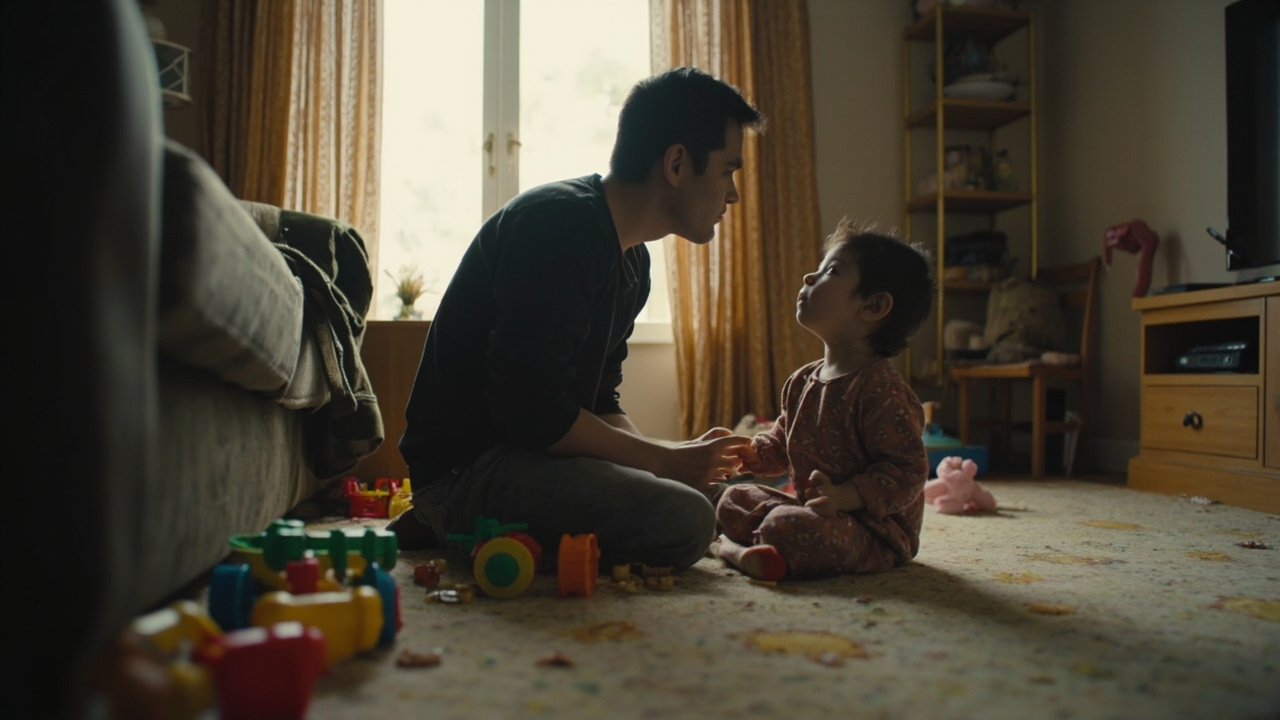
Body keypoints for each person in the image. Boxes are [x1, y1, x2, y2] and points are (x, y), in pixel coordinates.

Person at [390, 67, 765, 574]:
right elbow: (532, 411)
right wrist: (662, 462)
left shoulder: (632, 259)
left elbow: (599, 401)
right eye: (728, 170)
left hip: (532, 456)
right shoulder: (559, 226)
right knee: (688, 519)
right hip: (469, 467)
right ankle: (453, 519)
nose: (733, 194)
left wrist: (668, 459)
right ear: (677, 163)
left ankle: (466, 522)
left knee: (716, 496)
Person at [710, 220, 936, 581]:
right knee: (732, 498)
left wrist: (846, 496)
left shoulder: (882, 391)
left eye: (831, 270)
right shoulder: (802, 381)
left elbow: (907, 472)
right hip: (812, 511)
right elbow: (784, 443)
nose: (808, 277)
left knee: (785, 526)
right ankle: (757, 549)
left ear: (874, 306)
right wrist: (750, 453)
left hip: (873, 532)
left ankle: (735, 548)